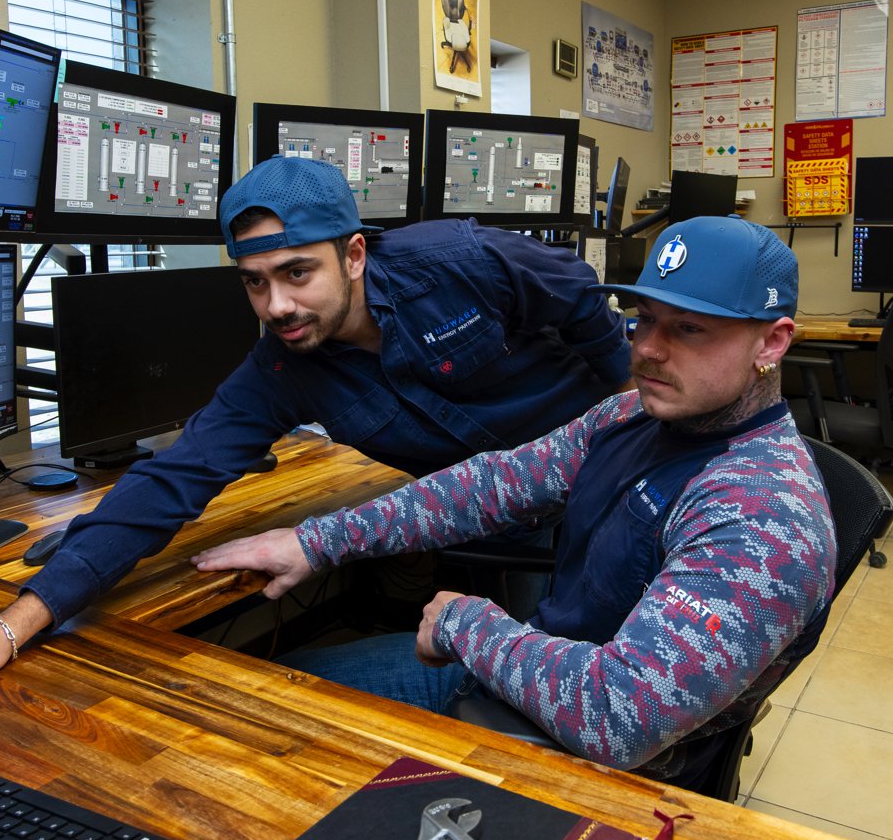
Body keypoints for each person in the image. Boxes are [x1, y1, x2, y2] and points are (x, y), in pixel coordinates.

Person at [191, 216, 834, 784]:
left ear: (772, 343)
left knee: (273, 716)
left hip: (583, 761)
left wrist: (464, 624)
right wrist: (316, 541)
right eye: (643, 322)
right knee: (276, 676)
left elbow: (621, 718)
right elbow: (491, 485)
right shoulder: (630, 416)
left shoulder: (763, 512)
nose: (646, 350)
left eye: (688, 330)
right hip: (527, 673)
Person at [0, 156, 630, 677]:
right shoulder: (282, 370)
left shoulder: (456, 261)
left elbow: (580, 301)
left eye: (296, 273)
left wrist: (639, 435)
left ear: (353, 255)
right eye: (255, 282)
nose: (277, 304)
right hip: (497, 528)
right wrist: (15, 623)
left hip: (610, 488)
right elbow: (171, 480)